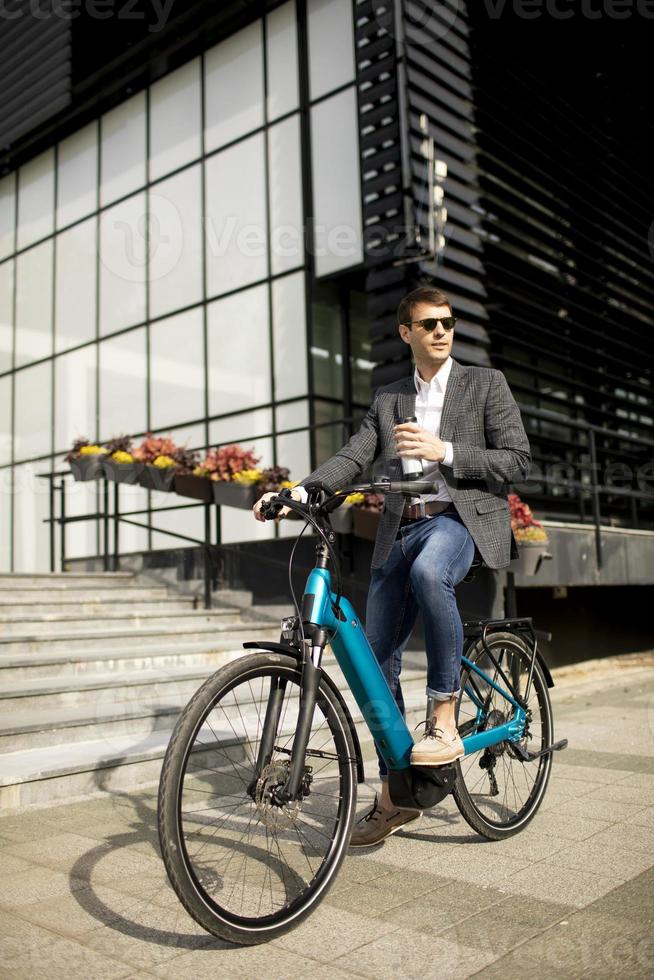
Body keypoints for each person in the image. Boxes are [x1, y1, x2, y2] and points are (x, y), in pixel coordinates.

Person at [253, 285, 530, 847]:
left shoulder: (485, 384)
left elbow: (517, 460)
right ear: (406, 332)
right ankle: (394, 798)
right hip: (401, 528)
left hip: (459, 521)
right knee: (375, 666)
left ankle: (444, 715)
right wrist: (300, 490)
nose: (441, 332)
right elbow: (356, 454)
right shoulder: (390, 399)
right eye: (429, 324)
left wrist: (444, 450)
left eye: (448, 323)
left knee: (432, 573)